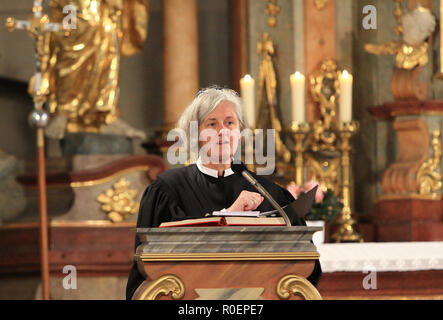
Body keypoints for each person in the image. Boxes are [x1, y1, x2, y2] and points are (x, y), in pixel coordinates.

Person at [125, 86, 322, 299]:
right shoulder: (167, 190)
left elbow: (304, 265)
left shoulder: (271, 194)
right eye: (212, 124)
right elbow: (153, 267)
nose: (222, 131)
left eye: (230, 123)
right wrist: (230, 215)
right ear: (196, 134)